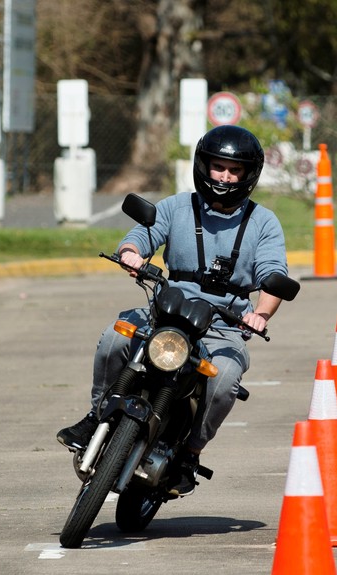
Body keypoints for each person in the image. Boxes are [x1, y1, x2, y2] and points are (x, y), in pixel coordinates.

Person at [56, 125, 289, 496]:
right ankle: (96, 414)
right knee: (116, 337)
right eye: (217, 167)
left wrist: (260, 313)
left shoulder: (264, 223)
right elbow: (143, 233)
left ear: (248, 175)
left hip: (224, 326)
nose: (225, 176)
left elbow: (274, 274)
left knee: (225, 379)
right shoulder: (177, 206)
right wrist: (132, 253)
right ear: (203, 166)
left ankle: (190, 453)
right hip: (165, 311)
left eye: (234, 170)